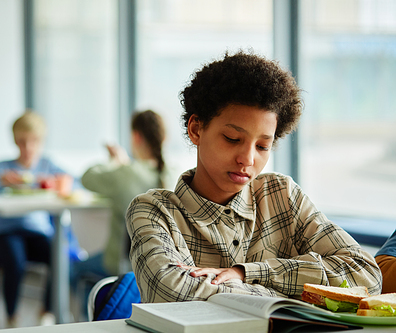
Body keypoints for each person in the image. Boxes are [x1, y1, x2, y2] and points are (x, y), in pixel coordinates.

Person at [126, 50, 382, 303]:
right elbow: (174, 293)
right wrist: (302, 296)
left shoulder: (282, 196)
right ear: (196, 129)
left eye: (262, 146)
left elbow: (367, 275)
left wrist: (247, 273)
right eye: (232, 139)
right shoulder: (154, 212)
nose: (247, 160)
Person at [0, 111, 73, 327]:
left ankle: (47, 312)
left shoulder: (48, 167)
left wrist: (56, 183)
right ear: (15, 141)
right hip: (5, 232)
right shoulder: (2, 168)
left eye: (33, 142)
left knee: (60, 256)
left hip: (38, 232)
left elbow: (74, 183)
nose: (28, 148)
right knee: (15, 262)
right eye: (22, 142)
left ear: (41, 141)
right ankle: (11, 318)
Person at [75, 110, 170, 283]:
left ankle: (93, 310)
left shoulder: (126, 174)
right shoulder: (173, 174)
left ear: (136, 137)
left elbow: (87, 177)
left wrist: (116, 161)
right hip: (162, 269)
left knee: (73, 269)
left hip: (123, 266)